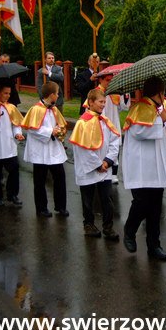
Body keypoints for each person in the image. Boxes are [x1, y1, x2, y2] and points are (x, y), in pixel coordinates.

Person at [122, 76, 166, 261]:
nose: (165, 95)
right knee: (142, 203)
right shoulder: (140, 107)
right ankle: (129, 230)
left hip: (156, 166)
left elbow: (164, 131)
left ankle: (154, 245)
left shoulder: (158, 108)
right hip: (141, 165)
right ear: (159, 92)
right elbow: (140, 132)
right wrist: (160, 120)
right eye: (164, 91)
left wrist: (164, 123)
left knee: (155, 208)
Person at [69, 88, 121, 240]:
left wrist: (108, 161)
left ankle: (108, 226)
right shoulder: (82, 123)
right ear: (90, 102)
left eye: (104, 102)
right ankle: (89, 225)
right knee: (88, 199)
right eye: (100, 102)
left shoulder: (105, 121)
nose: (103, 105)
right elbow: (81, 148)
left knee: (107, 198)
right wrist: (97, 164)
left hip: (105, 168)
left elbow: (114, 141)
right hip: (89, 169)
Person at [22, 81, 69, 217]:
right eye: (57, 93)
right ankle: (41, 208)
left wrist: (60, 130)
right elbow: (32, 129)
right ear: (51, 95)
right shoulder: (36, 109)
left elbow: (60, 124)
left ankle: (60, 206)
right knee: (40, 180)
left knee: (60, 176)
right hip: (40, 150)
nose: (59, 95)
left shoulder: (54, 109)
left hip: (53, 149)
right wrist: (50, 131)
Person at [92, 71, 131, 184]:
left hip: (113, 123)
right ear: (100, 80)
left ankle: (114, 173)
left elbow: (124, 107)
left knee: (115, 146)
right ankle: (100, 168)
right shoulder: (95, 93)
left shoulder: (114, 93)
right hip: (101, 125)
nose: (109, 83)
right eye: (107, 80)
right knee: (102, 147)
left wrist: (125, 94)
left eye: (111, 80)